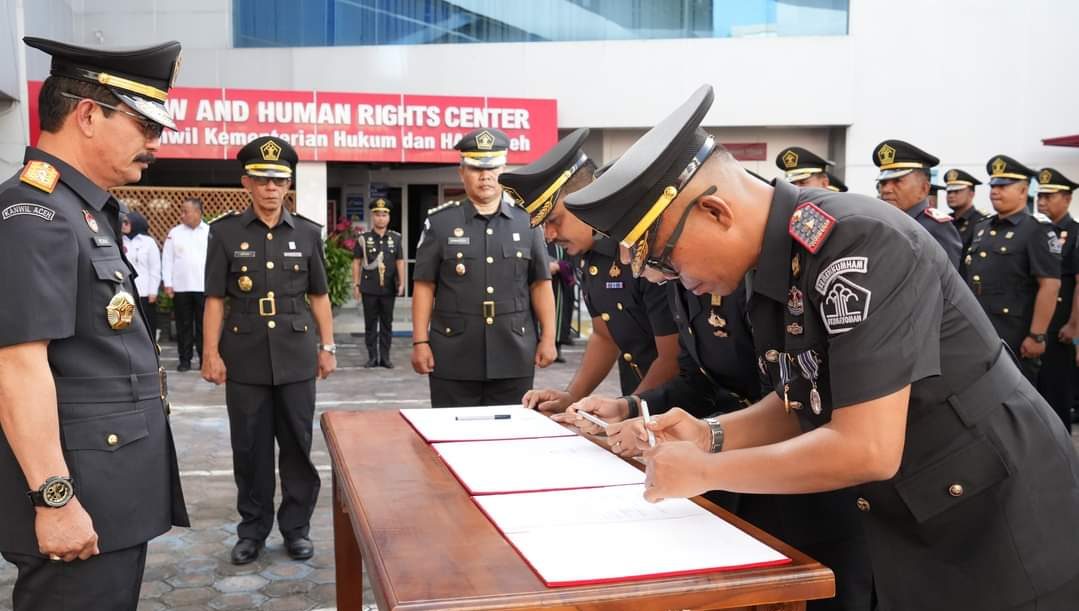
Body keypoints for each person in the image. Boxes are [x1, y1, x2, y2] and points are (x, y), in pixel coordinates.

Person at [564, 84, 1079, 611]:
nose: (678, 282)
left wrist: (706, 471)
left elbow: (866, 447)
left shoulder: (858, 244)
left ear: (716, 213)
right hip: (917, 508)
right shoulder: (770, 263)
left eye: (667, 261)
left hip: (997, 519)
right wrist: (710, 433)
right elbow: (804, 400)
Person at [0, 36, 188, 611]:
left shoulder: (86, 212)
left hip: (108, 488)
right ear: (87, 114)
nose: (154, 143)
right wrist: (54, 500)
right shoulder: (35, 214)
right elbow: (16, 366)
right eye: (144, 125)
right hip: (78, 494)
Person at [201, 136, 336, 564]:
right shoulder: (224, 234)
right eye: (262, 180)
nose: (270, 188)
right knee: (250, 448)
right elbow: (215, 300)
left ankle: (296, 528)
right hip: (244, 356)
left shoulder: (309, 234)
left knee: (297, 446)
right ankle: (252, 530)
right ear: (247, 183)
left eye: (278, 180)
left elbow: (319, 296)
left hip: (296, 356)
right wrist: (210, 353)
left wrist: (327, 346)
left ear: (288, 183)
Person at [507, 129, 680, 414]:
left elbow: (672, 357)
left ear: (587, 198)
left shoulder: (641, 248)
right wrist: (571, 397)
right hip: (641, 407)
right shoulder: (586, 252)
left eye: (554, 220)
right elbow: (604, 335)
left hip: (681, 413)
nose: (549, 235)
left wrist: (628, 413)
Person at [410, 128, 556, 407]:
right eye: (476, 168)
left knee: (509, 439)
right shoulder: (440, 224)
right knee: (451, 439)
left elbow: (540, 283)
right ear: (461, 172)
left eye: (492, 168)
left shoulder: (527, 222)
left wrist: (548, 337)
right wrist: (420, 342)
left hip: (513, 351)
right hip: (453, 354)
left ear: (504, 169)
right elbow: (425, 284)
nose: (485, 176)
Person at [963, 155, 1061, 384]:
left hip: (1016, 334)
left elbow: (1050, 285)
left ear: (1023, 190)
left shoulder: (1036, 229)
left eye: (1003, 186)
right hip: (981, 330)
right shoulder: (982, 227)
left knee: (1017, 401)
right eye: (993, 186)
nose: (995, 192)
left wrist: (1037, 335)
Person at [1035, 167, 1079, 431]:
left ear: (1067, 198)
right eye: (1039, 195)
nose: (1041, 201)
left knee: (1057, 390)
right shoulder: (1039, 231)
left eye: (1049, 196)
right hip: (1040, 323)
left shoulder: (1074, 233)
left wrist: (1074, 324)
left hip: (1062, 324)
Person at [873, 139, 963, 269]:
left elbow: (946, 283)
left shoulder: (936, 228)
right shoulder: (882, 223)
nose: (886, 189)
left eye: (897, 181)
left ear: (924, 188)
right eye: (883, 183)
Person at [352, 197, 403, 368]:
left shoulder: (395, 239)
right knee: (371, 324)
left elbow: (399, 261)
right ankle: (372, 357)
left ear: (388, 217)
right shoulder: (364, 239)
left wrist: (402, 282)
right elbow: (357, 262)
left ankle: (386, 358)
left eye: (384, 215)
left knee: (387, 323)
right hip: (369, 287)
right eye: (377, 215)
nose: (381, 218)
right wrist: (356, 284)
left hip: (388, 287)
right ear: (372, 217)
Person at [162, 197, 209, 371]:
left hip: (204, 287)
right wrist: (168, 283)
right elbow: (167, 259)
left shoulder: (209, 232)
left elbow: (215, 261)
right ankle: (185, 360)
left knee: (204, 327)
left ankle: (205, 361)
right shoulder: (174, 233)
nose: (182, 215)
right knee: (183, 326)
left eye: (185, 211)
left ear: (197, 212)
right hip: (181, 287)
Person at [122, 210, 162, 341]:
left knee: (147, 325)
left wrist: (153, 291)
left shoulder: (148, 242)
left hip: (144, 292)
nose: (123, 225)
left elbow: (155, 268)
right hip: (126, 291)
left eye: (127, 222)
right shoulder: (120, 240)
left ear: (136, 223)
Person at [943, 167, 988, 271]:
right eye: (949, 192)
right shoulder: (945, 221)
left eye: (957, 191)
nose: (951, 195)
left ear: (971, 193)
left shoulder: (982, 222)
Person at [546, 241, 576, 362]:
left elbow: (573, 262)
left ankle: (556, 348)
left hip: (559, 284)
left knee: (558, 315)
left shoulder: (562, 242)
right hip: (538, 283)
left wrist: (559, 266)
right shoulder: (534, 238)